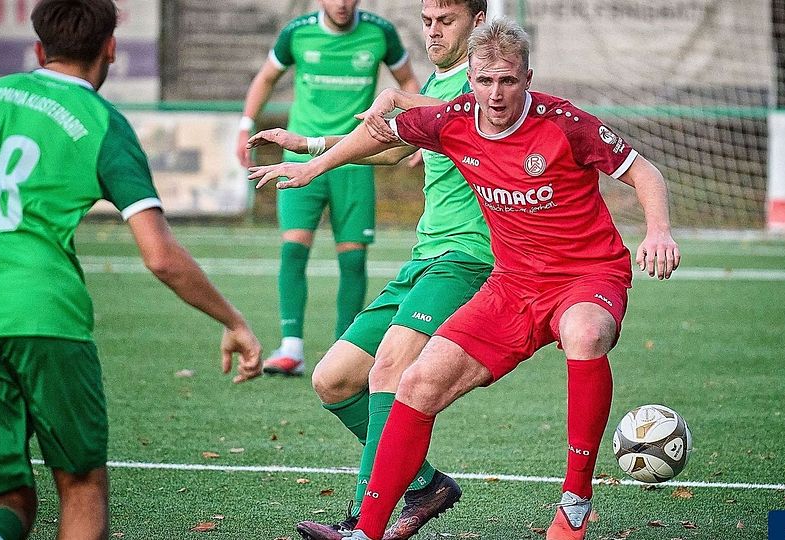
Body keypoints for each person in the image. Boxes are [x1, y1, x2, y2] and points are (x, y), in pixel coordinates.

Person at [249, 17, 680, 540]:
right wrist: (315, 161)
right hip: (512, 284)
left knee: (585, 333)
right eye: (484, 81)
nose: (495, 94)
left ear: (528, 78)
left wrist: (658, 232)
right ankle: (368, 531)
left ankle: (575, 503)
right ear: (470, 78)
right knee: (415, 381)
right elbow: (380, 136)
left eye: (508, 81)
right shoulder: (453, 118)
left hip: (585, 275)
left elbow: (643, 171)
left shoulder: (564, 123)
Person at [0, 1, 262, 539]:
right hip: (46, 317)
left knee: (4, 495)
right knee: (81, 484)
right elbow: (160, 255)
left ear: (39, 49)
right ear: (110, 47)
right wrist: (234, 320)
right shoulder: (103, 124)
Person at [247, 2, 488, 538]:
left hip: (469, 257)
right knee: (332, 380)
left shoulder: (486, 81)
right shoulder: (438, 79)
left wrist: (323, 157)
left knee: (388, 370)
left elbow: (467, 115)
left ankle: (362, 522)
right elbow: (391, 146)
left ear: (478, 17)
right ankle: (425, 485)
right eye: (427, 21)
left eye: (446, 21)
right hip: (425, 257)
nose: (433, 32)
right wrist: (309, 145)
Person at [236, 0, 419, 377]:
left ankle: (343, 348)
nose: (342, 3)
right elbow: (266, 77)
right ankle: (291, 348)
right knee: (294, 247)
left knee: (352, 258)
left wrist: (417, 134)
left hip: (355, 157)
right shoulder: (297, 32)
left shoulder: (380, 32)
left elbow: (408, 82)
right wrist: (245, 123)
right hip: (300, 156)